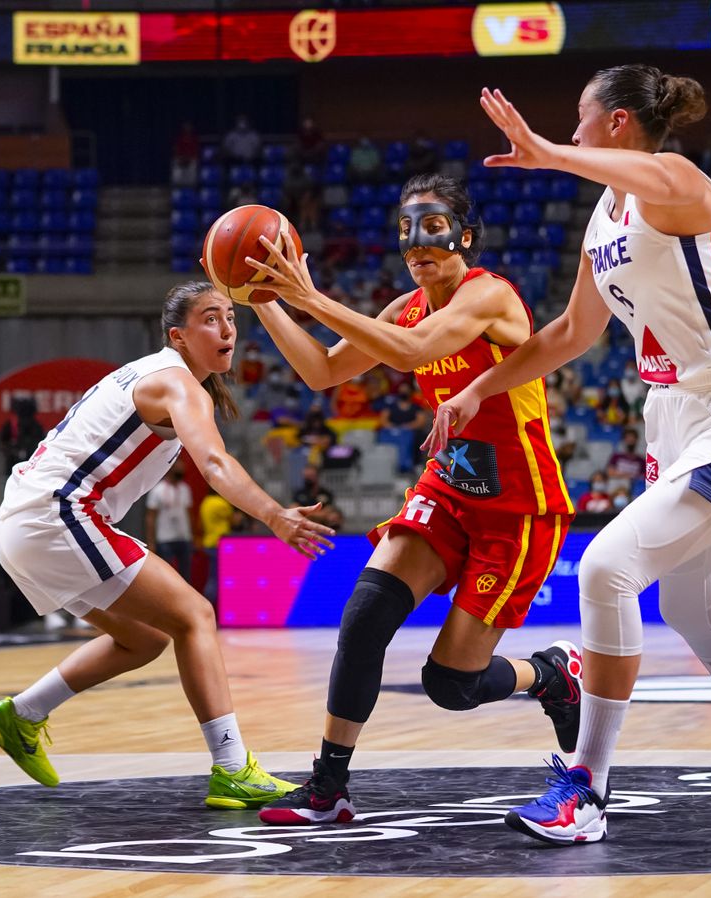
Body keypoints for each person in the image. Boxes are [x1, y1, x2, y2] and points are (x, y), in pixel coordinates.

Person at [432, 68, 711, 846]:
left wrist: (543, 152)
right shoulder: (604, 215)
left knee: (606, 571)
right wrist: (481, 388)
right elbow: (571, 332)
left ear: (618, 123)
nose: (570, 134)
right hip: (671, 413)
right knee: (689, 609)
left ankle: (587, 792)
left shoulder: (679, 183)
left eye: (579, 121)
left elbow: (642, 172)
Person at [239, 173, 583, 825]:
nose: (419, 243)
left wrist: (309, 294)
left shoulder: (489, 296)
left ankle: (552, 674)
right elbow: (321, 372)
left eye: (433, 228)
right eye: (407, 230)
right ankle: (327, 788)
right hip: (448, 491)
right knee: (365, 615)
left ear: (465, 236)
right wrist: (262, 300)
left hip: (517, 508)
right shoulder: (406, 306)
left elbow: (412, 352)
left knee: (449, 686)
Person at [0, 281, 332, 811]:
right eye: (211, 318)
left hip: (26, 521)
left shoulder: (163, 376)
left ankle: (22, 713)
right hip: (57, 514)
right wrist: (274, 515)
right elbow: (214, 465)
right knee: (195, 614)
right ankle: (233, 769)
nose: (228, 329)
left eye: (231, 318)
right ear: (179, 335)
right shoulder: (174, 382)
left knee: (145, 639)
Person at [146, 463, 195, 584]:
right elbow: (150, 517)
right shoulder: (157, 490)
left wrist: (193, 535)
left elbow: (189, 513)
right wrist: (151, 542)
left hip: (184, 538)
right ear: (170, 468)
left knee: (186, 575)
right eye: (178, 467)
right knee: (167, 577)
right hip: (165, 538)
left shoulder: (185, 488)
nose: (181, 470)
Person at [197, 485, 237, 604]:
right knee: (217, 579)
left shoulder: (205, 502)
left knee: (212, 577)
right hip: (220, 544)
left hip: (208, 542)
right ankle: (209, 606)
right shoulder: (221, 503)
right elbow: (234, 520)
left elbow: (200, 525)